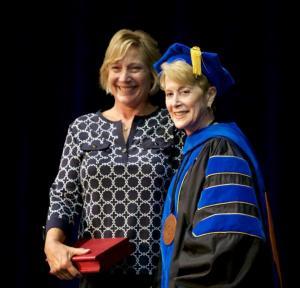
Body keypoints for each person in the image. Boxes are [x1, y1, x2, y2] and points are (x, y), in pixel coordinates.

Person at [44, 29, 183, 288]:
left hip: (157, 275)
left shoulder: (173, 125)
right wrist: (52, 242)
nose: (124, 77)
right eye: (116, 67)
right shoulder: (82, 127)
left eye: (135, 68)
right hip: (95, 274)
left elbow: (187, 198)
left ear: (153, 75)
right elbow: (65, 195)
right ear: (106, 73)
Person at [153, 43, 282, 287]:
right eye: (169, 94)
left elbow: (223, 245)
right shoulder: (195, 152)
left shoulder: (221, 150)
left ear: (210, 95)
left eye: (185, 92)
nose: (175, 102)